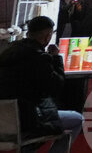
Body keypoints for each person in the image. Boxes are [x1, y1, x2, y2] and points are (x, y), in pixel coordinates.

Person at [0, 16, 83, 153]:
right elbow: (56, 87)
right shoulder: (39, 58)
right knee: (76, 119)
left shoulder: (6, 53)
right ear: (47, 36)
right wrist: (56, 58)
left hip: (5, 124)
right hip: (28, 122)